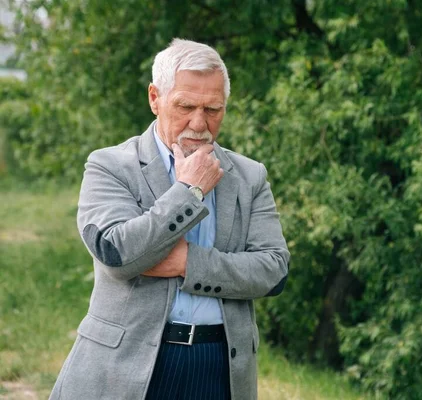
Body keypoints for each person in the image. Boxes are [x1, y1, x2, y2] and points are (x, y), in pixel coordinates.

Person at [50, 38, 290, 400]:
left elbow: (274, 271)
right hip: (124, 365)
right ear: (154, 99)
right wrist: (190, 191)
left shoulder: (250, 176)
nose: (199, 122)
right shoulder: (110, 166)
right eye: (185, 106)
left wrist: (188, 263)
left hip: (219, 368)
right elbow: (118, 254)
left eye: (213, 109)